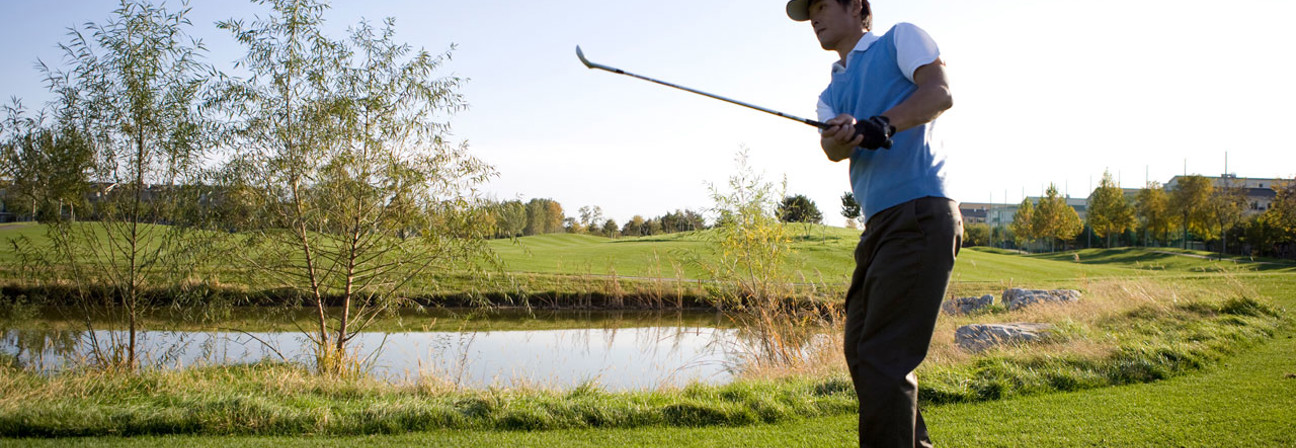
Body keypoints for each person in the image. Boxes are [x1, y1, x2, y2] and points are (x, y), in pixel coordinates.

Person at [785, 0, 962, 446]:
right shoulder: (831, 93)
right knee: (864, 351)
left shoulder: (900, 39)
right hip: (879, 225)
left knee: (884, 356)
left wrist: (882, 123)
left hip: (921, 210)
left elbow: (939, 92)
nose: (814, 19)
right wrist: (842, 133)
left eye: (822, 5)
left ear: (855, 6)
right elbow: (833, 151)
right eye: (809, 13)